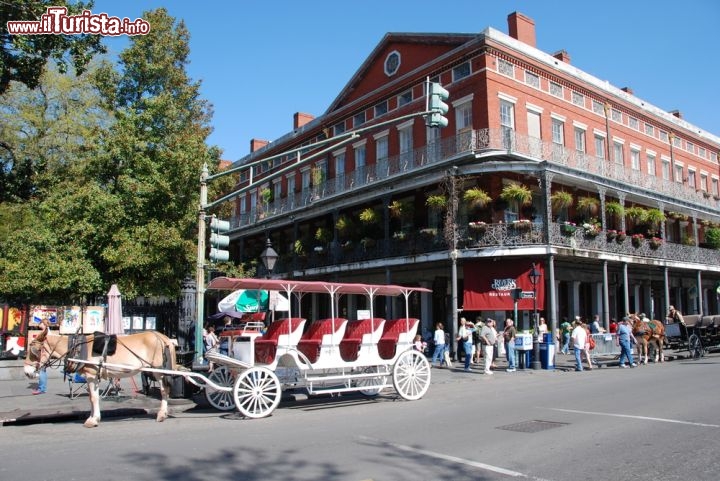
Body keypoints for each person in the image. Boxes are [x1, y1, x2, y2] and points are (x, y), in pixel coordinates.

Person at [32, 319, 50, 395]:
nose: (39, 324)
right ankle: (43, 388)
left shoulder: (46, 333)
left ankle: (41, 389)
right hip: (44, 354)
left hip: (44, 354)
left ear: (43, 323)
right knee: (43, 371)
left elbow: (45, 345)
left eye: (40, 323)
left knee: (42, 371)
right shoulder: (46, 331)